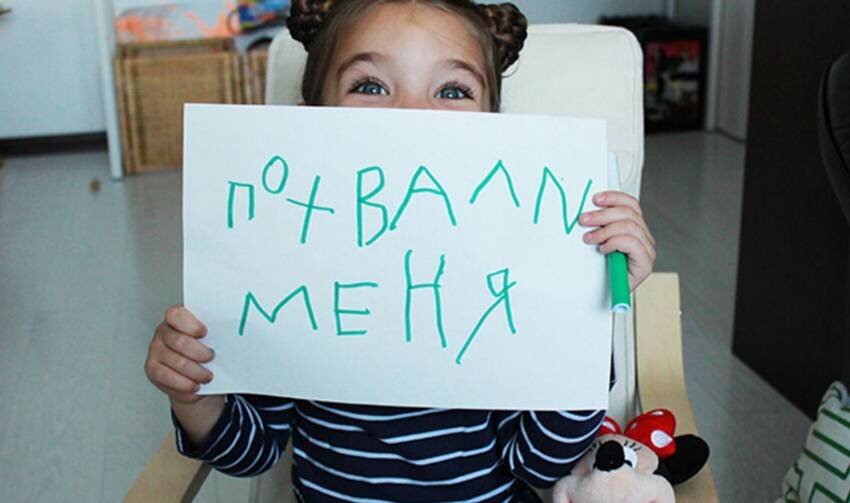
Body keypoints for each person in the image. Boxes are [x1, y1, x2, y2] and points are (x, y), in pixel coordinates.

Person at [144, 1, 657, 501]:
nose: (413, 116)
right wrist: (194, 395)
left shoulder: (510, 285)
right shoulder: (287, 280)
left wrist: (583, 311)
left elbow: (539, 461)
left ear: (497, 128)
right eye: (370, 86)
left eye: (452, 91)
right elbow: (251, 454)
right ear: (309, 121)